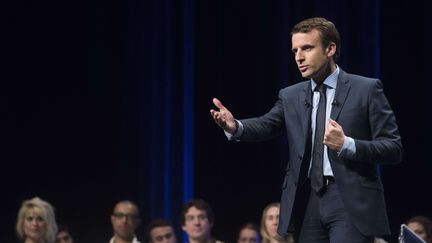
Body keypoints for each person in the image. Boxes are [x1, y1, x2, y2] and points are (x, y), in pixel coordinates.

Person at [210, 17, 403, 243]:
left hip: (350, 199)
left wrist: (347, 144)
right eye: (294, 51)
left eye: (307, 48)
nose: (299, 57)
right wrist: (236, 127)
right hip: (307, 199)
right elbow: (267, 124)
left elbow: (393, 148)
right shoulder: (291, 95)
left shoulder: (367, 89)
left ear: (330, 48)